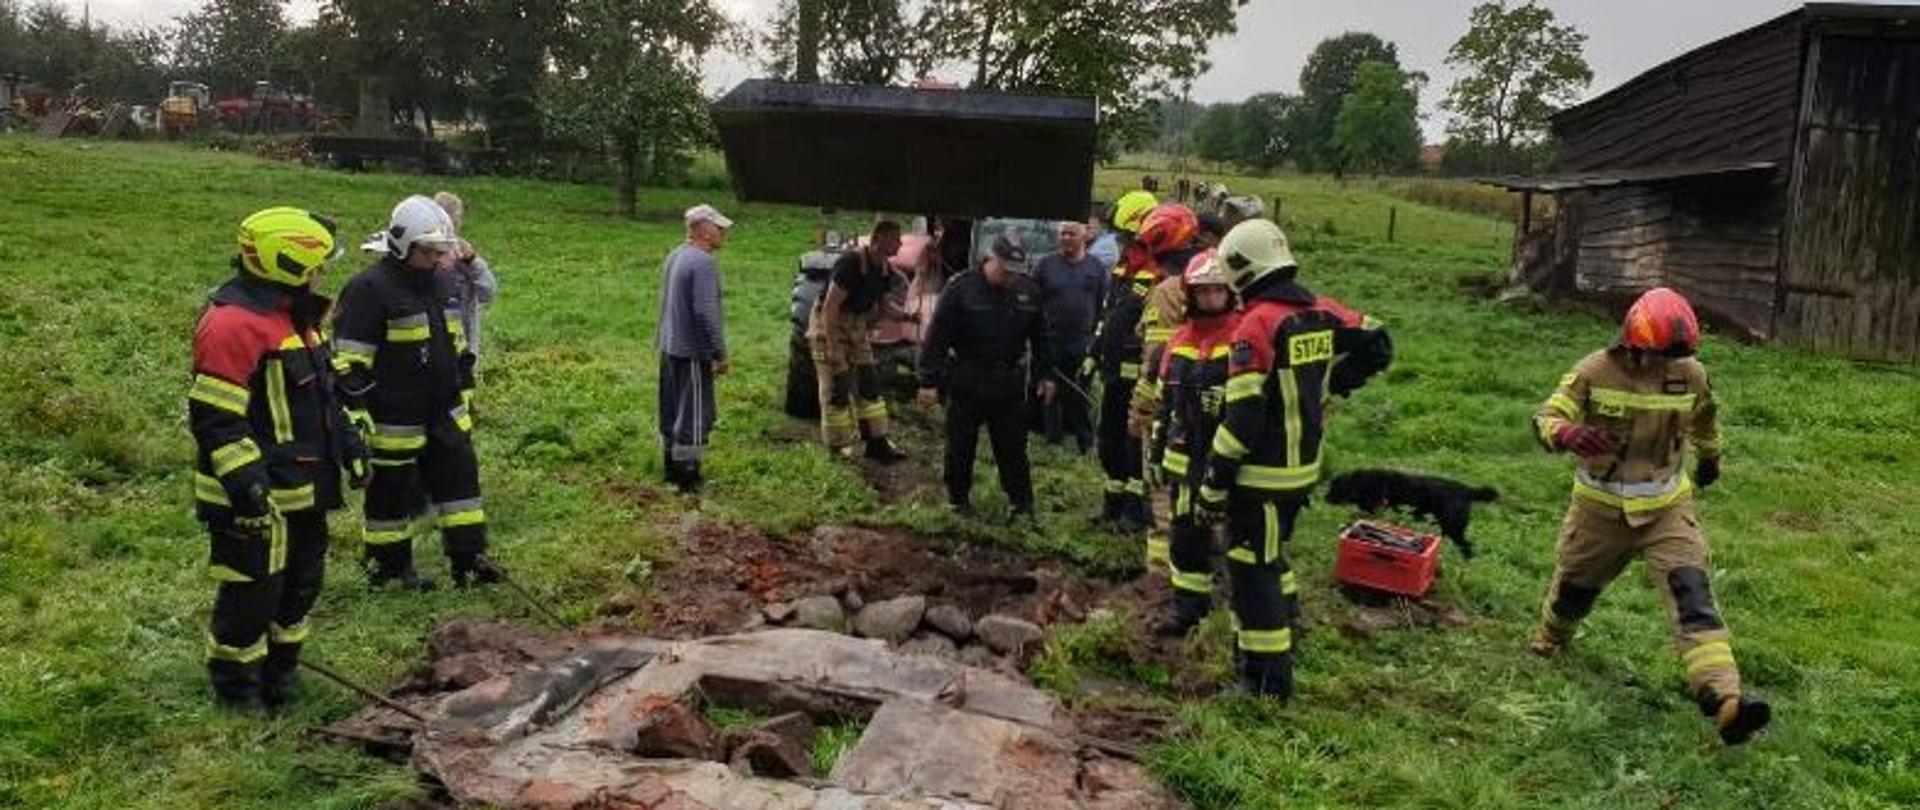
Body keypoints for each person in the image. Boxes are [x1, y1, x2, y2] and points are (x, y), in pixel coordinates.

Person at [1529, 287, 1770, 745]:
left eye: (1675, 356)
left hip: (1666, 509)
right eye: (1660, 355)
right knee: (1575, 588)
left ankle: (1725, 700)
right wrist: (1566, 434)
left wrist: (1711, 457)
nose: (1667, 365)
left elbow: (1705, 418)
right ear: (1634, 343)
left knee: (1692, 593)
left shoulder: (1691, 374)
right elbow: (1546, 416)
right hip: (1600, 510)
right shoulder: (1594, 370)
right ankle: (1551, 637)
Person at [1196, 218, 1393, 699]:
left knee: (1252, 570)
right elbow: (1379, 340)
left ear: (1240, 268)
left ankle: (1266, 682)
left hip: (1259, 477)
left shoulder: (1256, 326)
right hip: (1301, 469)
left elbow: (1242, 421)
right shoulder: (1324, 312)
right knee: (1271, 555)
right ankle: (1285, 630)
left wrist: (1213, 486)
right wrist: (1338, 383)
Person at [191, 207, 368, 710]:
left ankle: (281, 675)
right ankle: (237, 691)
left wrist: (350, 443)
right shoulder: (233, 325)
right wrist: (247, 484)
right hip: (256, 495)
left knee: (300, 587)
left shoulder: (297, 316)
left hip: (304, 487)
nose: (322, 273)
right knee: (252, 594)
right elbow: (216, 419)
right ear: (284, 263)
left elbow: (326, 395)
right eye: (315, 264)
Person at [334, 195, 501, 590]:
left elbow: (457, 344)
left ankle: (470, 561)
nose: (436, 259)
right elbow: (349, 363)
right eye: (428, 252)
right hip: (394, 419)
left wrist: (465, 390)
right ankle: (389, 569)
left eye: (440, 251)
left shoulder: (443, 282)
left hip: (445, 411)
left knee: (462, 489)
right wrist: (358, 413)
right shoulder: (368, 289)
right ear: (402, 245)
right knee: (389, 497)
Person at [917, 230, 1056, 519]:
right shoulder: (961, 288)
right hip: (968, 379)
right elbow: (937, 337)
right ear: (990, 259)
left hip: (1008, 384)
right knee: (960, 447)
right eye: (1006, 270)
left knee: (1013, 448)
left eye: (1016, 271)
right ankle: (958, 500)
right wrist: (928, 381)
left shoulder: (1028, 290)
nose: (1011, 277)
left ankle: (1021, 505)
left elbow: (1041, 338)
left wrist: (1046, 375)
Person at [1145, 250, 1239, 635]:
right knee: (1185, 538)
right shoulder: (1179, 341)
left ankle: (1240, 613)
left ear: (1229, 292)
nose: (1210, 298)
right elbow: (1164, 403)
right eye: (1202, 291)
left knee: (1238, 540)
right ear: (1191, 294)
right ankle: (1188, 611)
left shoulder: (1243, 336)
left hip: (1229, 461)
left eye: (1217, 290)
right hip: (1184, 461)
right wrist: (1155, 453)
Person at [1129, 208, 1213, 566]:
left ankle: (1159, 575)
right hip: (1216, 406)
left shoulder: (1166, 292)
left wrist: (1139, 411)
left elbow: (1156, 360)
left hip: (1172, 408)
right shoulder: (1221, 281)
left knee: (1162, 488)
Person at [809, 220, 907, 461]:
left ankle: (877, 443)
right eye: (895, 238)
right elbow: (830, 306)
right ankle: (837, 445)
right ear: (879, 240)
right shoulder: (850, 263)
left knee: (869, 384)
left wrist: (909, 316)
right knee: (837, 386)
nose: (900, 243)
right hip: (830, 325)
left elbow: (885, 304)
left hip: (856, 326)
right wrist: (832, 347)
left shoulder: (884, 269)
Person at [1090, 190, 1159, 529]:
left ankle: (1135, 510)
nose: (1118, 242)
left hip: (1139, 373)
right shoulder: (1124, 266)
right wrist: (1094, 352)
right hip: (1114, 369)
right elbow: (1110, 314)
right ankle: (1112, 503)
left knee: (1134, 442)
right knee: (1108, 437)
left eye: (1123, 236)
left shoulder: (1156, 272)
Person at [654, 204, 733, 492]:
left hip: (669, 346)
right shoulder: (703, 263)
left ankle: (670, 472)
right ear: (705, 231)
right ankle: (688, 479)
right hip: (691, 352)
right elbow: (705, 313)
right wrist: (719, 353)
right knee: (694, 416)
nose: (724, 233)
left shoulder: (676, 255)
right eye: (719, 228)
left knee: (671, 410)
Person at [1033, 220, 1108, 453]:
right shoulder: (1045, 265)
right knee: (1050, 390)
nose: (1066, 238)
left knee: (1079, 392)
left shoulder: (1096, 268)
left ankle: (1085, 442)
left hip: (1082, 342)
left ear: (1084, 235)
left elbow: (1102, 306)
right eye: (1063, 233)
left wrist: (1095, 340)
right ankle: (1053, 441)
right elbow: (1033, 300)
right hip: (1050, 340)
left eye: (1071, 234)